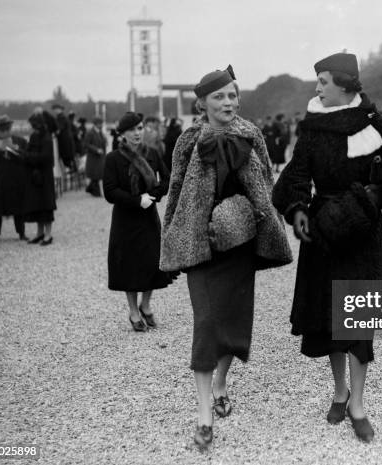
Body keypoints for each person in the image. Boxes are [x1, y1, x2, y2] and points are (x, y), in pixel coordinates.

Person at [272, 52, 382, 443]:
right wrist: (298, 209)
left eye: (323, 81)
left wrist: (367, 198)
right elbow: (295, 177)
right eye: (317, 81)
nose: (317, 88)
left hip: (363, 231)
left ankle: (358, 404)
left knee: (357, 318)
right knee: (329, 317)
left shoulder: (372, 123)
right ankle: (339, 392)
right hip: (322, 233)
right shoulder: (313, 127)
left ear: (345, 85)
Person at [160, 65, 292, 449]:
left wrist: (268, 222)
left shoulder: (252, 135)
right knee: (206, 325)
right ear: (202, 103)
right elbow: (175, 193)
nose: (229, 102)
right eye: (220, 96)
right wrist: (172, 238)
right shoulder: (186, 141)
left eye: (233, 95)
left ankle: (220, 382)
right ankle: (204, 418)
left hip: (239, 247)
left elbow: (265, 183)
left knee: (232, 325)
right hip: (199, 247)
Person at [103, 112, 172, 332]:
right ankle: (133, 311)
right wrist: (136, 200)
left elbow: (167, 179)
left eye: (140, 128)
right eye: (132, 129)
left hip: (148, 215)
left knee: (153, 261)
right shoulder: (113, 158)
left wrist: (154, 195)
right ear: (122, 134)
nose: (137, 133)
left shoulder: (152, 153)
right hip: (125, 219)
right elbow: (110, 191)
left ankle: (146, 304)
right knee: (129, 265)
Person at [0, 115, 28, 243]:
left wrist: (15, 150)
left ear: (10, 128)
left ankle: (22, 233)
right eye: (2, 128)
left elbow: (26, 157)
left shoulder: (20, 141)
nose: (5, 131)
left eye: (6, 128)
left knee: (18, 207)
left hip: (16, 180)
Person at [24, 111, 57, 246]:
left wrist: (29, 156)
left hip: (45, 177)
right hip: (36, 176)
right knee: (38, 204)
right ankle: (40, 233)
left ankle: (48, 234)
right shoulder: (35, 137)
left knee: (46, 205)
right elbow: (29, 152)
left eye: (32, 125)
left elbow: (46, 157)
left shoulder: (46, 138)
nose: (31, 128)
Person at [83, 117, 107, 197]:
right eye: (100, 123)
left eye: (102, 123)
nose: (101, 125)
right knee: (95, 175)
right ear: (96, 124)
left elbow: (103, 143)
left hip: (100, 157)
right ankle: (93, 190)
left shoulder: (100, 133)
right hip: (93, 158)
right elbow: (86, 144)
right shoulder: (90, 133)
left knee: (99, 175)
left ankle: (93, 190)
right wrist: (96, 150)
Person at [51, 103, 76, 171]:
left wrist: (53, 134)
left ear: (59, 109)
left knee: (67, 165)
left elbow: (58, 130)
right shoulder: (64, 117)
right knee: (70, 165)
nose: (54, 111)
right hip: (68, 144)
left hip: (65, 145)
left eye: (55, 109)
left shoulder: (61, 118)